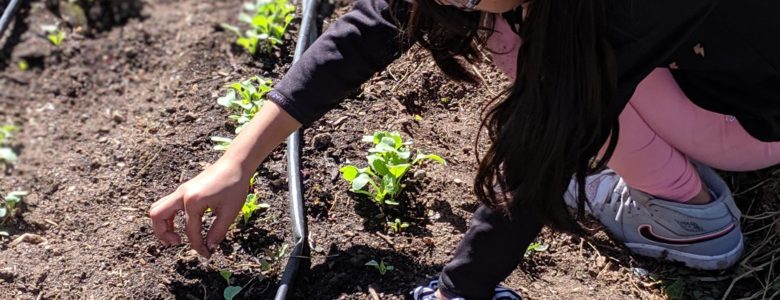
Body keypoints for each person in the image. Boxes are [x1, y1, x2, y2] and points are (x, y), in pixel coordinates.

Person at [149, 0, 780, 298]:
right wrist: (238, 160)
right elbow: (368, 29)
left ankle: (690, 221)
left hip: (755, 116)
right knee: (523, 32)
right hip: (702, 60)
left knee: (527, 46)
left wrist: (458, 292)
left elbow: (538, 148)